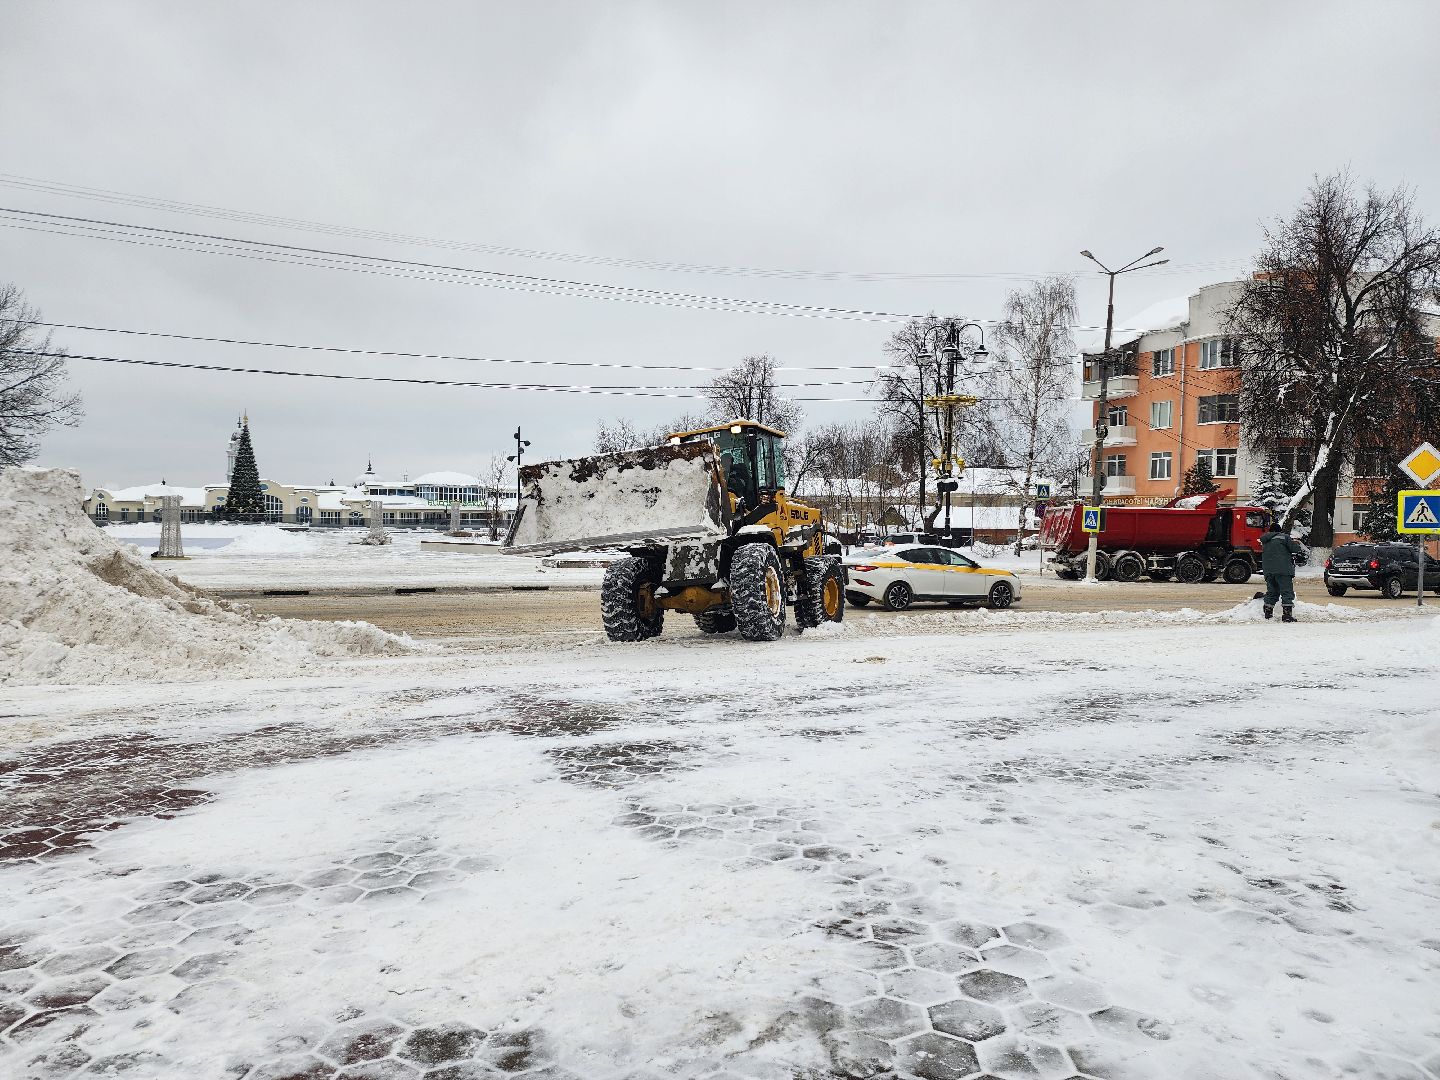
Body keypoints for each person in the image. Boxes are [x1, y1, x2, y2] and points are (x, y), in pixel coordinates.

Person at [1260, 518, 1306, 622]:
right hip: (1283, 570)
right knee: (1286, 592)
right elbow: (1295, 549)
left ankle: (1268, 613)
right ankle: (1287, 615)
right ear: (1279, 530)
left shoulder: (1265, 540)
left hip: (1268, 570)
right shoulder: (1284, 537)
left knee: (1272, 592)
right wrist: (1297, 543)